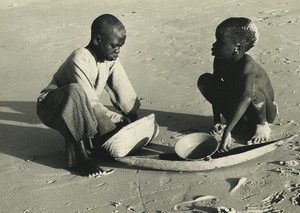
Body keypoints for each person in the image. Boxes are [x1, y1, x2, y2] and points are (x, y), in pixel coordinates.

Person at [37, 14, 140, 176]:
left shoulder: (110, 58)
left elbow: (123, 90)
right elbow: (89, 100)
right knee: (75, 91)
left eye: (121, 46)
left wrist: (132, 120)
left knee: (117, 129)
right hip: (51, 106)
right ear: (97, 40)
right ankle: (80, 159)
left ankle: (93, 144)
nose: (118, 50)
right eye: (114, 46)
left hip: (80, 107)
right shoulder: (80, 58)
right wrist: (109, 125)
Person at [197, 17, 278, 152]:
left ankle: (262, 126)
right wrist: (217, 120)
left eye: (220, 42)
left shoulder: (247, 64)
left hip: (262, 109)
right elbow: (216, 88)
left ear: (237, 48)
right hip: (240, 103)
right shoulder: (219, 59)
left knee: (252, 91)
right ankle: (238, 123)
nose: (214, 45)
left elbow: (247, 96)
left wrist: (228, 131)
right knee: (206, 80)